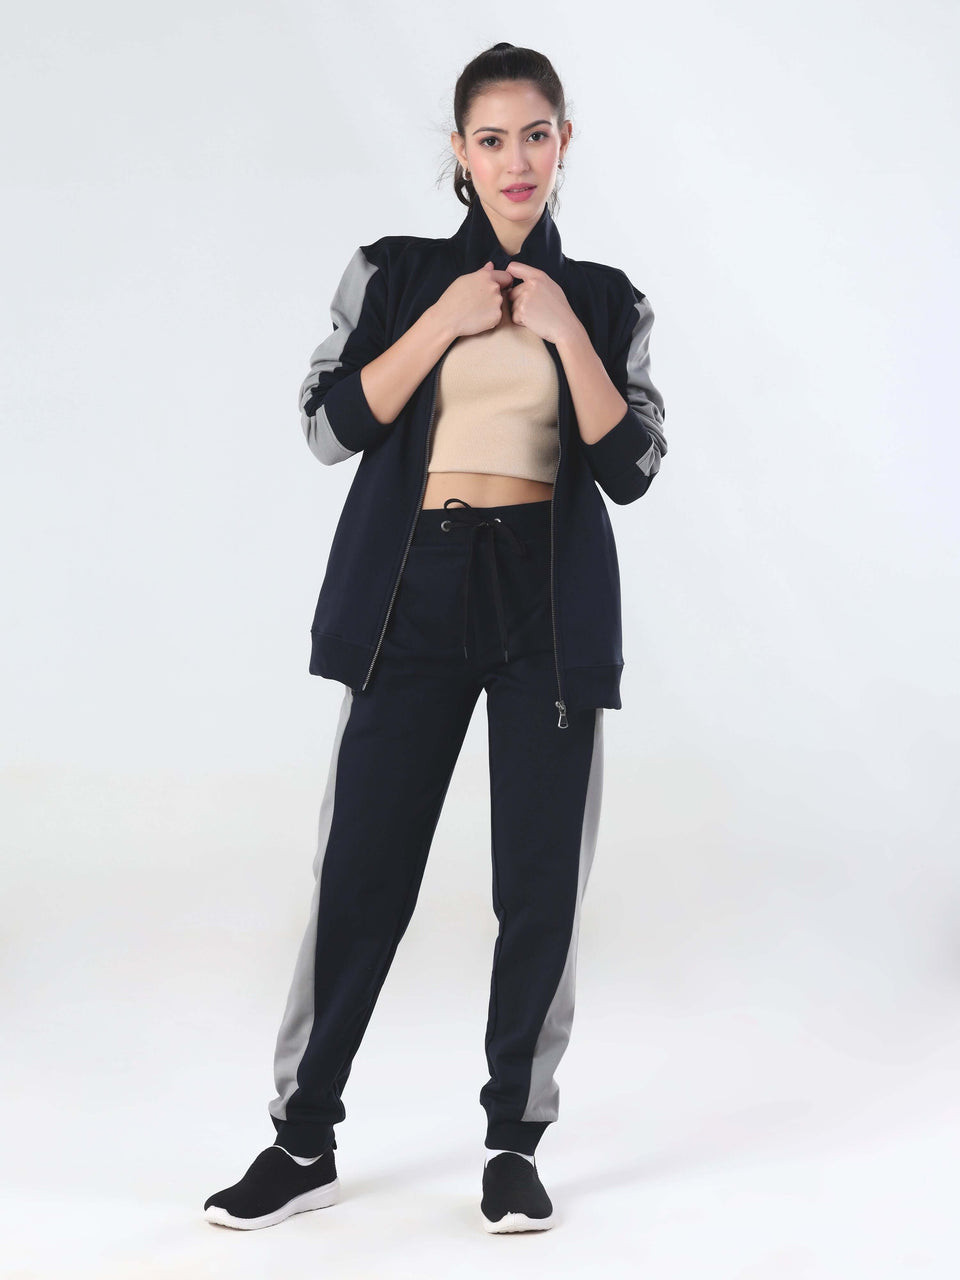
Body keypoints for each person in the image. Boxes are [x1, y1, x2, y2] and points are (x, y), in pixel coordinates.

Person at [204, 40, 667, 1236]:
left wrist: (562, 329)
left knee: (539, 883)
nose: (516, 159)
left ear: (564, 144)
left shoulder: (606, 299)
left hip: (545, 604)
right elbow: (330, 424)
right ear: (460, 152)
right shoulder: (395, 272)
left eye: (536, 135)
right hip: (414, 592)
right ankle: (302, 1138)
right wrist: (450, 318)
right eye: (491, 138)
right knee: (362, 872)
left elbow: (632, 466)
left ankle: (514, 1143)